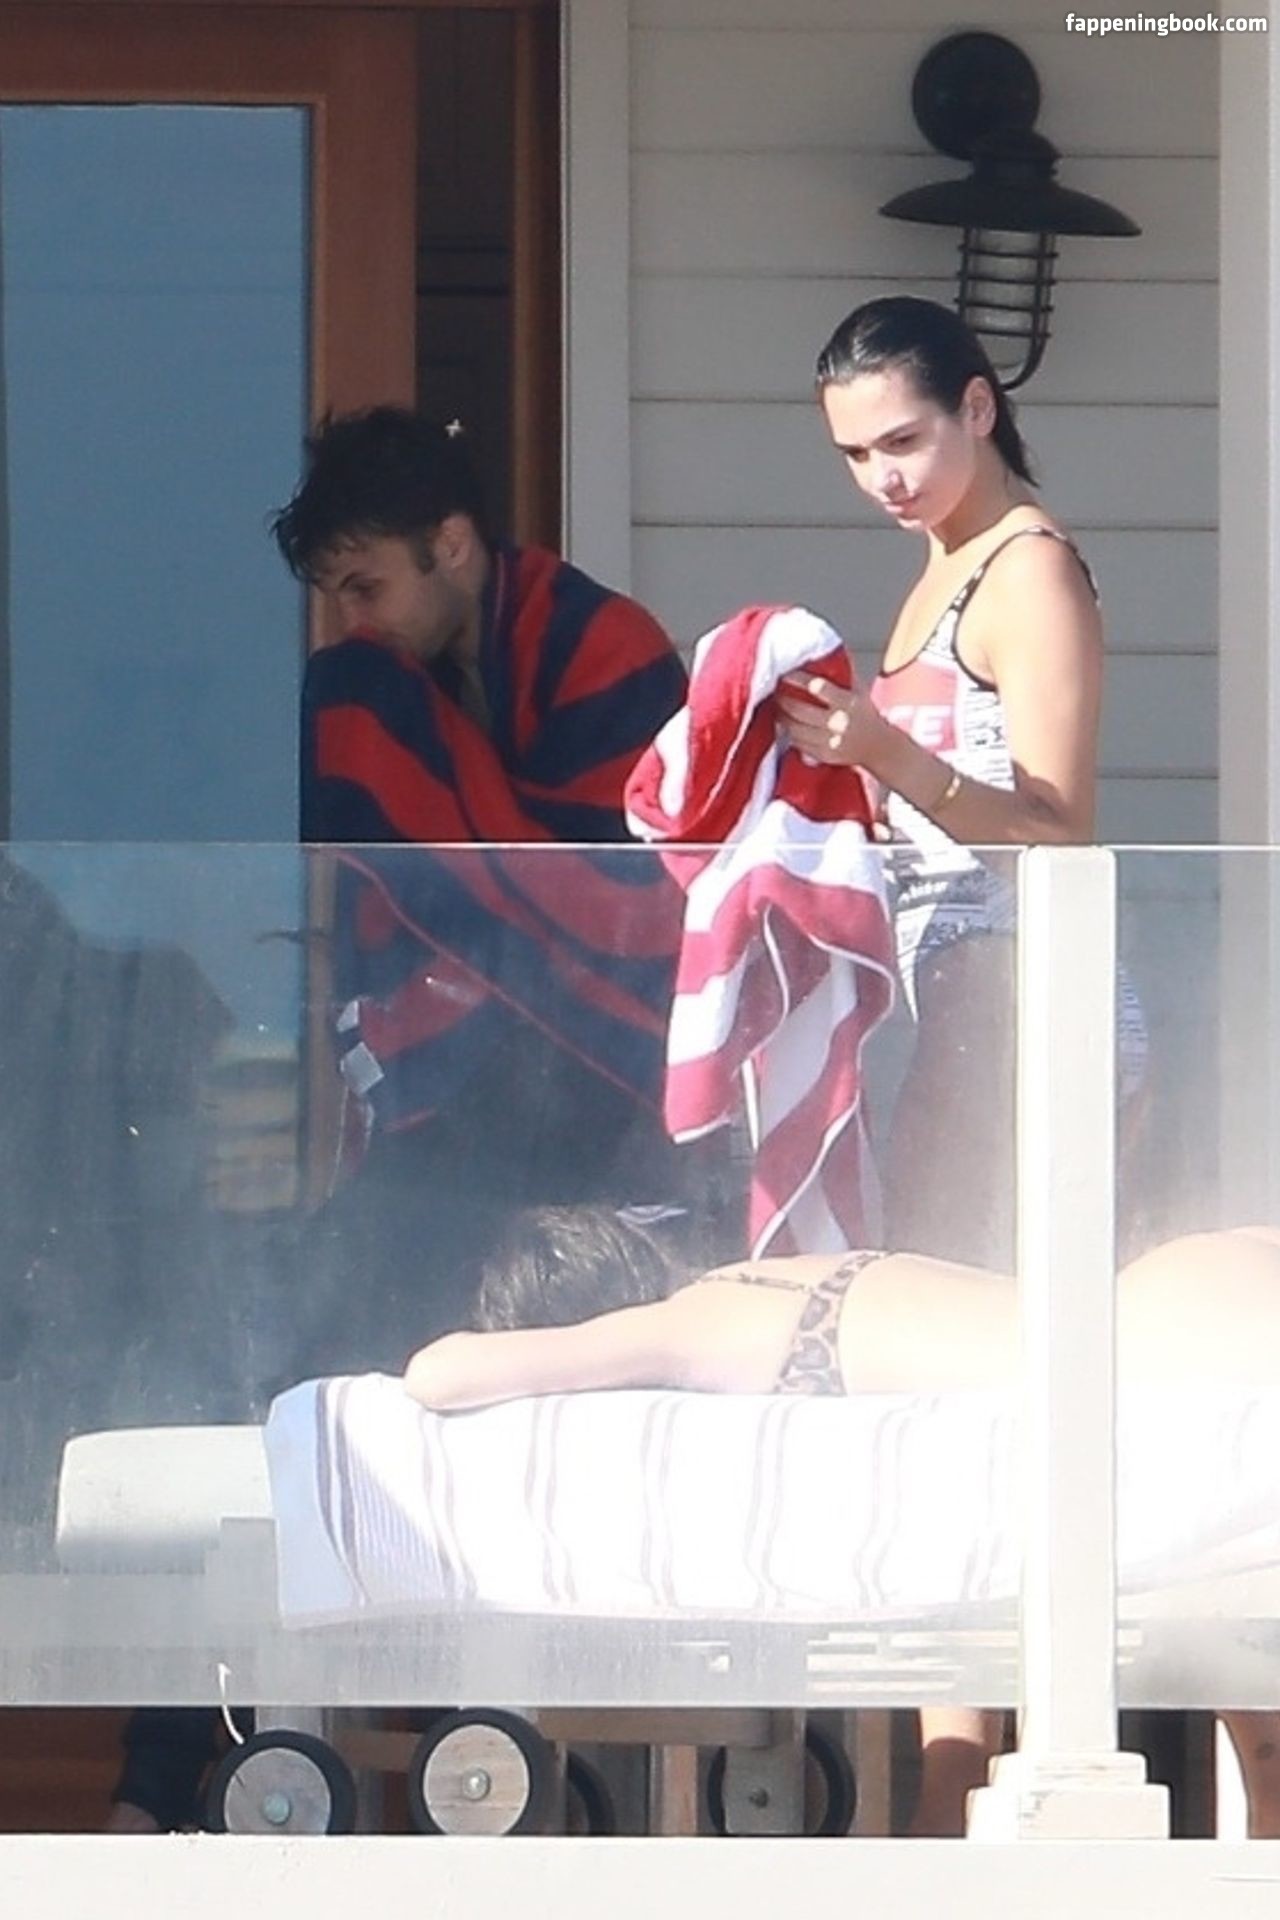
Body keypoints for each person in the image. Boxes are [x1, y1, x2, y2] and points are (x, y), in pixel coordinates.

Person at [105, 409, 707, 1835]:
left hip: (602, 1132)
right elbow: (424, 895)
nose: (352, 626)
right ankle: (172, 1772)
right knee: (294, 1398)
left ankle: (464, 1754)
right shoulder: (406, 687)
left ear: (454, 545)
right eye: (332, 597)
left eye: (366, 585)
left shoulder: (606, 655)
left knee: (432, 1417)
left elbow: (627, 907)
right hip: (449, 1130)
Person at [774, 295, 1143, 1826]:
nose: (886, 475)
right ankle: (950, 1777)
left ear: (981, 408)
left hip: (1029, 1015)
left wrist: (885, 756)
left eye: (908, 439)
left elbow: (1059, 823)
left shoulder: (1026, 568)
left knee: (993, 1381)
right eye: (856, 453)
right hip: (959, 1015)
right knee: (952, 1390)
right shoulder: (938, 572)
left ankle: (977, 1783)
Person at [403, 1205, 1280, 1838]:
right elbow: (952, 1535)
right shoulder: (773, 1279)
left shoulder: (695, 1323)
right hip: (1192, 1295)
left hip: (1176, 1351)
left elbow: (437, 1376)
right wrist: (949, 1776)